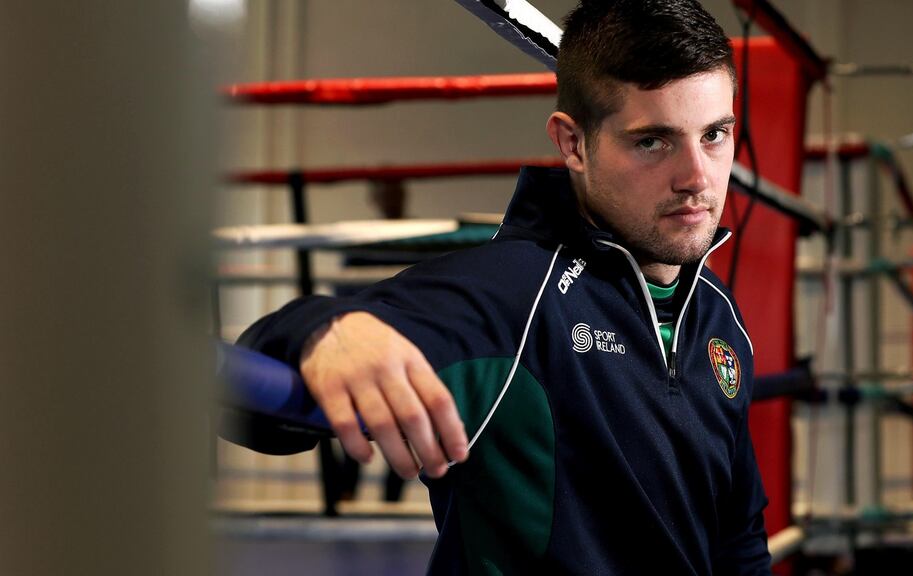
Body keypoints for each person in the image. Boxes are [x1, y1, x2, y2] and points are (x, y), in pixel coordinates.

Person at [237, 0, 771, 573]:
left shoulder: (716, 311)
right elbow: (248, 403)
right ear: (573, 144)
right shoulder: (512, 296)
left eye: (715, 134)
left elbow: (738, 540)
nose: (697, 177)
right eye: (652, 142)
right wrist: (323, 332)